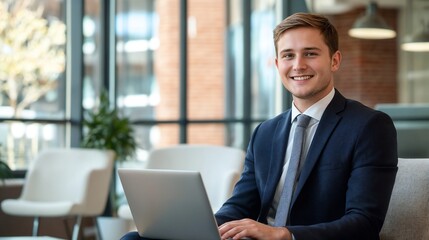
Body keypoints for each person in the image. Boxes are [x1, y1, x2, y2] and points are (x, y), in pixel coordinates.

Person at [120, 12, 398, 240]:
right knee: (136, 239)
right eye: (288, 55)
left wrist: (283, 234)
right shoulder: (266, 133)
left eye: (310, 53)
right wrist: (198, 229)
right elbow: (241, 205)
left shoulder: (370, 126)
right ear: (277, 64)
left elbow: (364, 223)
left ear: (334, 60)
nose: (298, 65)